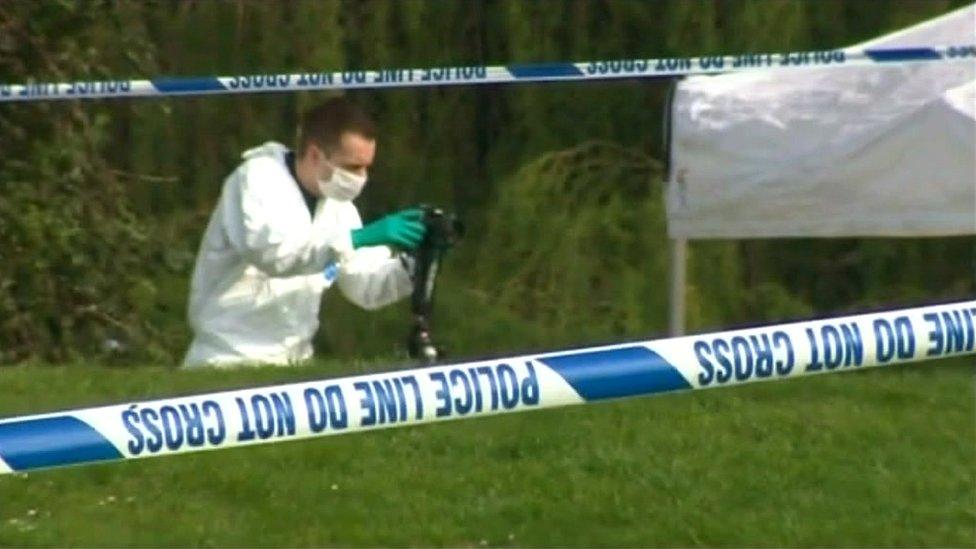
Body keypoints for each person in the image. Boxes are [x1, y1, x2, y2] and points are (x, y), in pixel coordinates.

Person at [182, 97, 426, 367]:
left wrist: (417, 264)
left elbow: (366, 286)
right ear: (314, 155)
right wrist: (358, 238)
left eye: (367, 167)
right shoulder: (257, 179)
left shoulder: (338, 207)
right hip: (229, 357)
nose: (362, 178)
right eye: (353, 167)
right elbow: (273, 255)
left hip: (294, 361)